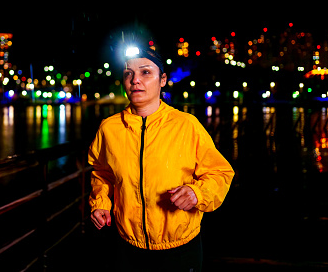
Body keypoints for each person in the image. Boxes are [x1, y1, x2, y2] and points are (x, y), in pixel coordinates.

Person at [88, 44, 235, 272]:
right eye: (129, 73)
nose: (135, 80)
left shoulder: (187, 125)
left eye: (146, 72)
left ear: (163, 80)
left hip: (180, 248)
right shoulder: (109, 128)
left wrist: (197, 193)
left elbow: (220, 173)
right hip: (126, 245)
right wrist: (101, 204)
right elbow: (102, 173)